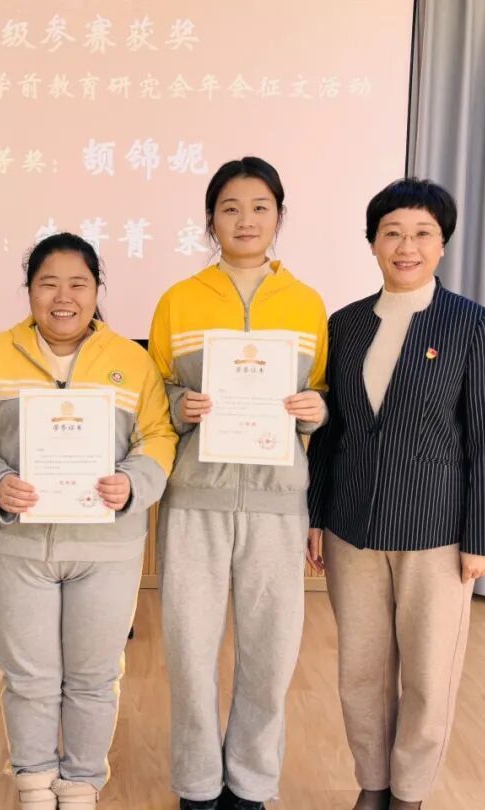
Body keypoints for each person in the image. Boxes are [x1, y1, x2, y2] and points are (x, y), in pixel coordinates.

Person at [0, 232, 177, 809]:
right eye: (48, 283)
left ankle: (80, 783)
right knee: (27, 674)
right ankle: (33, 781)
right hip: (16, 546)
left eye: (78, 283)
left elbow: (158, 435)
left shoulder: (132, 360)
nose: (63, 297)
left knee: (95, 675)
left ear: (98, 291)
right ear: (29, 290)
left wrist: (133, 482)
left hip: (107, 548)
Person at [306, 178, 485, 810]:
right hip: (351, 528)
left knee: (428, 676)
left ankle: (410, 794)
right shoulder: (344, 325)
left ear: (442, 245)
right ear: (372, 242)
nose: (406, 246)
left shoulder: (471, 324)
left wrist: (483, 536)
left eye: (422, 234)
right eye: (392, 233)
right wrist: (316, 516)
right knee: (360, 672)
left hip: (436, 533)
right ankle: (373, 786)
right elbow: (332, 431)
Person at [148, 157, 329, 810]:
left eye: (259, 207)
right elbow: (154, 394)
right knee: (189, 653)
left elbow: (321, 395)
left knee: (271, 654)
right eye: (230, 207)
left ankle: (251, 784)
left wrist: (315, 409)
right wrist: (181, 405)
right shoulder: (179, 299)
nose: (245, 220)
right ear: (210, 220)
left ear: (279, 216)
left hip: (278, 504)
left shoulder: (307, 303)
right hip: (196, 501)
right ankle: (198, 785)